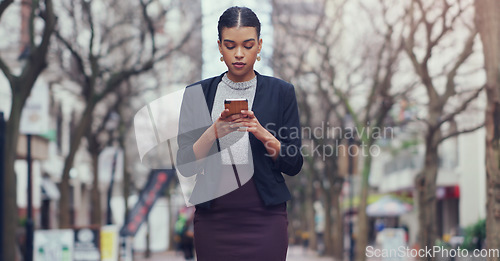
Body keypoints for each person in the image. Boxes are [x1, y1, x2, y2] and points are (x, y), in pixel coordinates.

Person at [176, 6, 303, 261]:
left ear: (259, 45)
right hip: (214, 217)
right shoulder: (196, 93)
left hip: (265, 215)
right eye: (230, 45)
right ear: (220, 47)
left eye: (247, 45)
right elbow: (185, 164)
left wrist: (261, 133)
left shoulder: (282, 93)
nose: (239, 54)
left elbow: (294, 162)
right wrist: (213, 132)